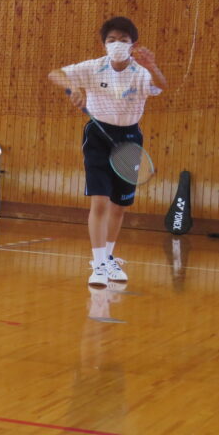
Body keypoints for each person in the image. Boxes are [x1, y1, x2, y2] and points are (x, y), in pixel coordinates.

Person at [48, 16, 166, 287]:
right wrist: (72, 88)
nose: (117, 44)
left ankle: (109, 258)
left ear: (133, 44)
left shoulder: (140, 72)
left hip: (129, 138)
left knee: (119, 206)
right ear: (104, 44)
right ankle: (98, 263)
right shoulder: (94, 67)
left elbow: (160, 86)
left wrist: (153, 66)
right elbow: (55, 74)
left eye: (123, 40)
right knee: (99, 201)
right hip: (98, 136)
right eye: (111, 40)